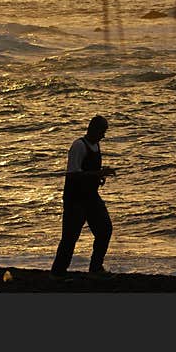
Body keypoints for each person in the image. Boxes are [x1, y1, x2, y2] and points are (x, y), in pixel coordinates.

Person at [50, 115, 116, 279]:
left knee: (105, 229)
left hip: (91, 197)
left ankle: (96, 268)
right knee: (70, 237)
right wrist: (98, 173)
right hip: (75, 199)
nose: (104, 135)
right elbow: (73, 174)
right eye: (102, 131)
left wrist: (98, 178)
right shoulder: (79, 146)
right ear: (93, 129)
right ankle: (58, 272)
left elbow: (88, 173)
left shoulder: (96, 146)